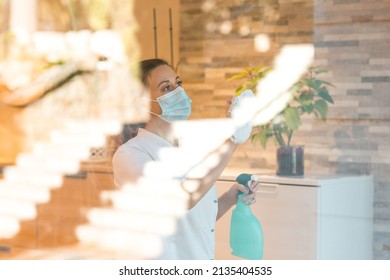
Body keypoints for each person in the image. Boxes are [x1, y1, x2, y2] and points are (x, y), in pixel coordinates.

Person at [112, 58, 258, 260]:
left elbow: (197, 222)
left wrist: (231, 197)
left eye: (178, 83)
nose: (178, 92)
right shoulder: (130, 156)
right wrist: (232, 139)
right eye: (166, 88)